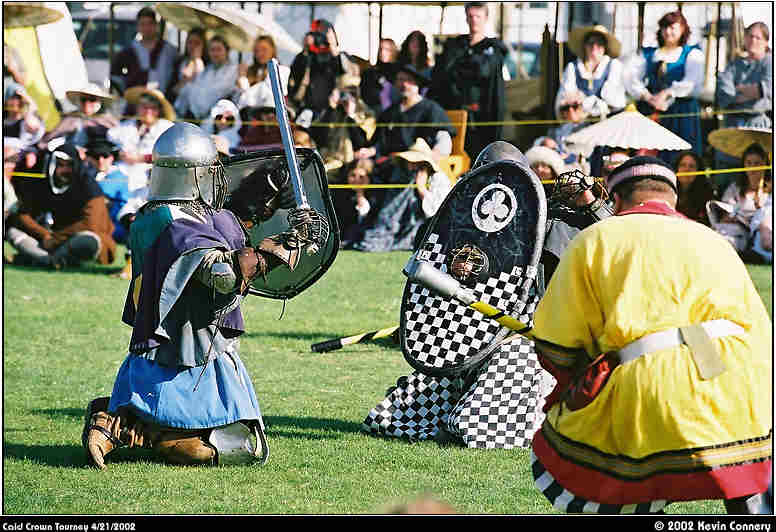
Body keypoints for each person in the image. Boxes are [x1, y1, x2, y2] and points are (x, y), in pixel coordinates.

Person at [529, 155, 772, 515]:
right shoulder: (715, 240)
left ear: (615, 200)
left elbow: (557, 348)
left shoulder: (596, 238)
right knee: (753, 482)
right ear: (672, 198)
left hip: (646, 391)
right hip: (742, 391)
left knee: (564, 451)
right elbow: (760, 335)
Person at [81, 123, 300, 469]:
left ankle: (119, 421)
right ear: (197, 174)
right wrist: (279, 250)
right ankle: (134, 429)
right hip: (181, 348)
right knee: (229, 447)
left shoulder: (174, 214)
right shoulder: (167, 221)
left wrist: (260, 206)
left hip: (192, 343)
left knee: (234, 439)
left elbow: (226, 230)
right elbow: (222, 275)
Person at [6, 142, 116, 269]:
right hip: (49, 240)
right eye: (60, 165)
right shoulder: (42, 185)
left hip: (76, 239)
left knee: (88, 240)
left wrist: (56, 239)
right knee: (13, 232)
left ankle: (39, 259)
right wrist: (45, 235)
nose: (65, 170)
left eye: (69, 165)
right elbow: (23, 215)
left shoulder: (88, 187)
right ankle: (50, 261)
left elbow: (90, 224)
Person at [429, 1, 507, 159]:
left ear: (485, 18)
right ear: (466, 18)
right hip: (453, 112)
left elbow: (490, 81)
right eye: (470, 16)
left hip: (480, 117)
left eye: (478, 16)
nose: (474, 20)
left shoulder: (492, 50)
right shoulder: (455, 47)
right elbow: (442, 75)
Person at [626, 10, 704, 161]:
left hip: (680, 114)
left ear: (683, 29)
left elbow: (691, 83)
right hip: (652, 111)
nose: (668, 32)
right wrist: (647, 96)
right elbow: (631, 78)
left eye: (673, 27)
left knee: (680, 156)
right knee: (648, 156)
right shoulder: (650, 54)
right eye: (665, 28)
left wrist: (668, 92)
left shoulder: (691, 54)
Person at [350, 138, 451, 252]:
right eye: (410, 162)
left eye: (417, 163)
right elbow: (389, 212)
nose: (413, 167)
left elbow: (438, 213)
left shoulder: (439, 180)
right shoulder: (400, 178)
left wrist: (422, 189)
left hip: (425, 227)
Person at [714, 22, 773, 187]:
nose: (753, 40)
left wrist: (740, 90)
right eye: (749, 36)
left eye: (758, 37)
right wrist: (750, 92)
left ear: (766, 41)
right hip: (733, 123)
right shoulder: (734, 64)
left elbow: (766, 89)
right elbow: (724, 92)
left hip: (758, 124)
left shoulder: (770, 63)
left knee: (757, 174)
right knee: (727, 173)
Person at [707, 143, 772, 258]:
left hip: (759, 233)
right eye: (749, 163)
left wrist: (760, 205)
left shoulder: (769, 190)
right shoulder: (735, 188)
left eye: (757, 163)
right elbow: (726, 209)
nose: (752, 167)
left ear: (765, 165)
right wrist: (727, 216)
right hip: (734, 229)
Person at [108, 87, 175, 191]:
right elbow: (109, 145)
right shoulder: (125, 126)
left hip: (149, 177)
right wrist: (119, 154)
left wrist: (142, 158)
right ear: (137, 107)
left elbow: (172, 155)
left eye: (153, 108)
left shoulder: (167, 128)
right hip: (121, 171)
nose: (148, 111)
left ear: (159, 110)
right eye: (144, 107)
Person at [288, 19, 359, 118]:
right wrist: (306, 49)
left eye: (323, 34)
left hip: (336, 113)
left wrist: (334, 48)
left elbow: (351, 77)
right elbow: (294, 82)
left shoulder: (341, 57)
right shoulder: (305, 57)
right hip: (308, 111)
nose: (321, 39)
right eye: (317, 34)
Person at [557, 25, 626, 119]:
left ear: (605, 47)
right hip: (578, 124)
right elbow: (564, 99)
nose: (594, 47)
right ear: (584, 45)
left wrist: (586, 103)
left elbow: (616, 101)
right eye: (591, 43)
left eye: (599, 43)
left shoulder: (614, 66)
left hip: (608, 123)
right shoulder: (572, 68)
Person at [110, 7, 177, 96]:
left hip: (163, 100)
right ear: (138, 26)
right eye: (142, 24)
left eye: (150, 23)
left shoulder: (169, 50)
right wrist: (127, 90)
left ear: (156, 25)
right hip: (137, 101)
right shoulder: (129, 51)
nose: (147, 28)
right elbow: (115, 75)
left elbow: (177, 75)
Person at [84, 137, 137, 245]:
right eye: (96, 157)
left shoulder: (120, 177)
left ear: (112, 158)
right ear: (90, 158)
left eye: (105, 156)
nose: (100, 161)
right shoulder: (88, 175)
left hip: (115, 226)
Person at [173, 35, 239, 121]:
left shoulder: (233, 70)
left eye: (219, 49)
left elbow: (218, 91)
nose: (215, 53)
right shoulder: (208, 69)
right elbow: (193, 89)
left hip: (219, 119)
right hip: (196, 116)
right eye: (212, 50)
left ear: (227, 51)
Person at [39, 84, 118, 151]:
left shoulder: (108, 120)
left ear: (100, 102)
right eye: (84, 100)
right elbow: (51, 137)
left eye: (92, 99)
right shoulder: (71, 118)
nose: (87, 103)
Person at [236, 35, 290, 110]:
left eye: (264, 49)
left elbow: (265, 98)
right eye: (256, 51)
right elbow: (241, 102)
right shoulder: (252, 72)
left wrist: (243, 80)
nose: (260, 54)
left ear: (273, 50)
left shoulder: (281, 71)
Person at [332, 158, 376, 247]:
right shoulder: (339, 195)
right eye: (353, 175)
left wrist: (360, 194)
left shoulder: (375, 196)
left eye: (361, 177)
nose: (356, 180)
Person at [673, 150, 715, 225]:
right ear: (676, 168)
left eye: (691, 166)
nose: (687, 170)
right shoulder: (668, 191)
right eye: (682, 165)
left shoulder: (706, 195)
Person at [168, 27, 208, 104]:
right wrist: (184, 80)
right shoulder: (179, 63)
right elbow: (171, 91)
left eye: (197, 43)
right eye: (190, 42)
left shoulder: (208, 66)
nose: (193, 46)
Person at [360, 38, 399, 115]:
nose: (383, 52)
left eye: (387, 49)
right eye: (381, 49)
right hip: (372, 110)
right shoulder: (370, 72)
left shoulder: (399, 72)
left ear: (393, 51)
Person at [3, 82, 43, 149]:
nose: (16, 101)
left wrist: (28, 100)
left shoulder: (27, 119)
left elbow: (32, 126)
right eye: (13, 97)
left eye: (19, 98)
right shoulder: (5, 114)